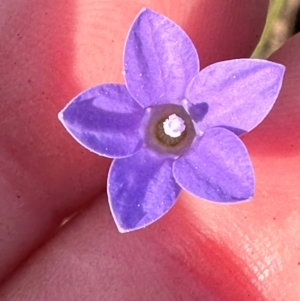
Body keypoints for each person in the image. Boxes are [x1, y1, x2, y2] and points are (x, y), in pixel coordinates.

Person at [0, 0, 299, 300]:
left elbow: (257, 86)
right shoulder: (134, 191)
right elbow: (130, 202)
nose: (173, 126)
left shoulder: (235, 109)